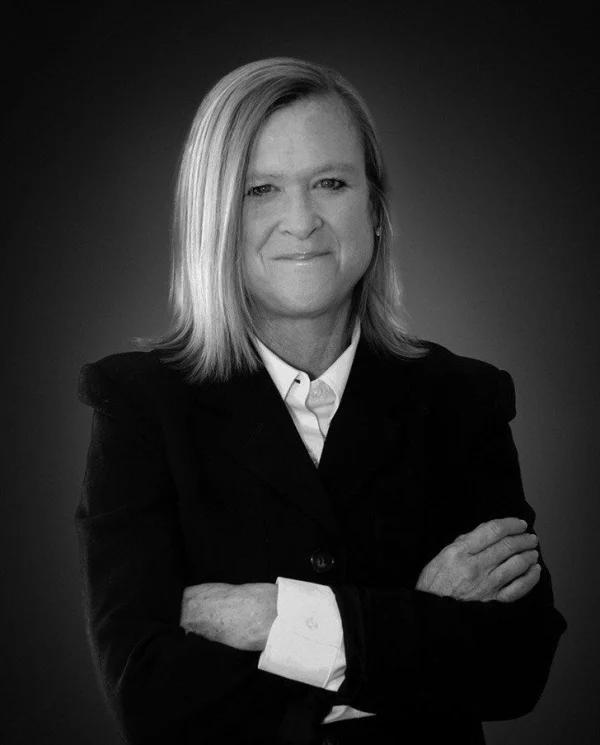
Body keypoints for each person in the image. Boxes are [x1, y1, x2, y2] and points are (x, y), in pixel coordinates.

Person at [75, 57, 567, 745]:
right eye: (260, 190)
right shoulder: (140, 406)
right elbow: (152, 700)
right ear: (214, 218)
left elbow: (515, 665)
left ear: (375, 210)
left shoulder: (462, 399)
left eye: (330, 183)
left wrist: (277, 619)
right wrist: (413, 618)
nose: (301, 221)